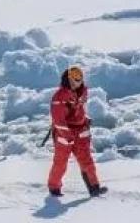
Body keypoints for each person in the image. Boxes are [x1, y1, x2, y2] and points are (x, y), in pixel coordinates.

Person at [47, 65, 107, 198]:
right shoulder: (60, 96)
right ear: (68, 79)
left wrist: (85, 119)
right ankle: (54, 188)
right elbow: (58, 119)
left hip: (80, 132)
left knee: (87, 161)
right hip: (65, 134)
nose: (77, 81)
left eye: (79, 78)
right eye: (74, 78)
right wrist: (67, 135)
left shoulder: (82, 92)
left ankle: (94, 187)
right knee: (61, 163)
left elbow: (78, 110)